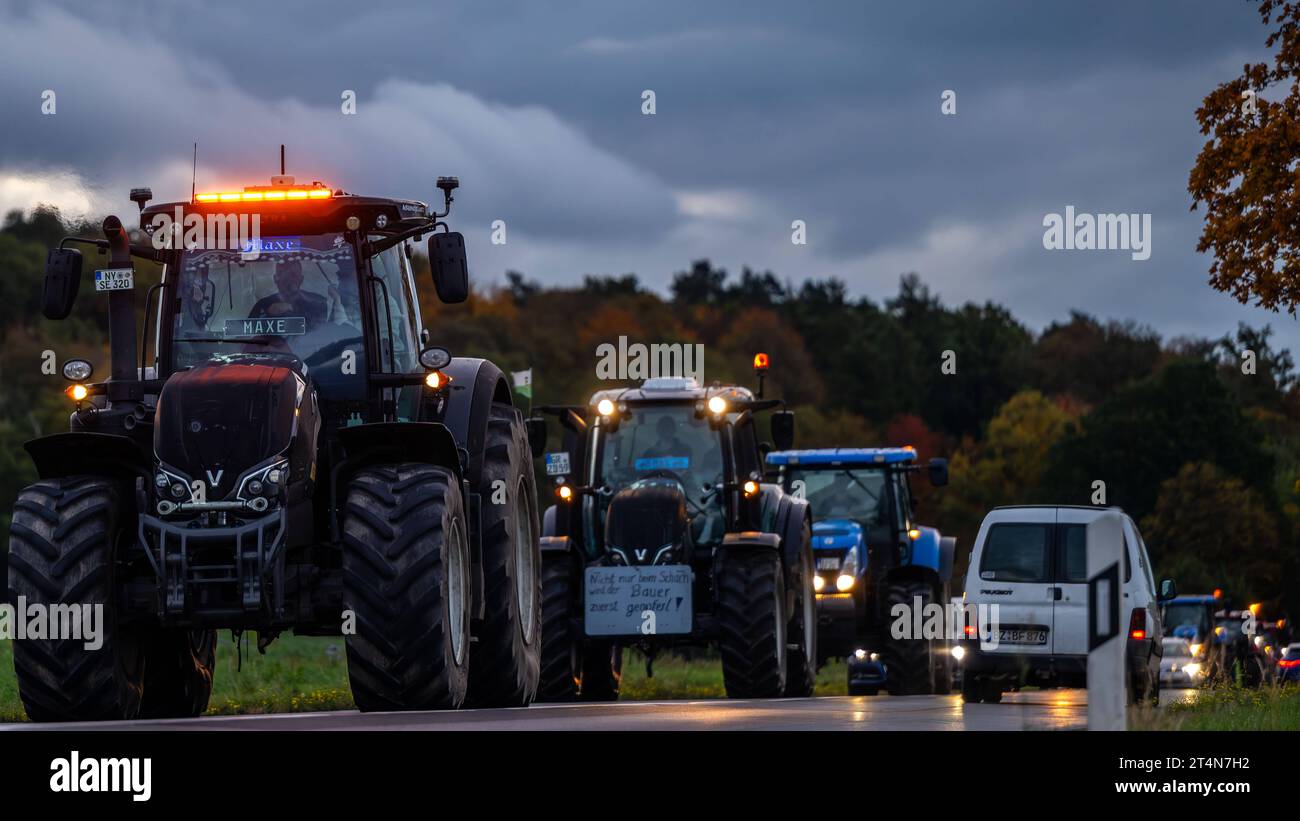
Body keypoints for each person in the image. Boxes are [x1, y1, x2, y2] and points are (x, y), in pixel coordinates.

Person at [250, 259, 329, 329]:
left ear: (301, 279)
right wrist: (267, 315)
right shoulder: (262, 305)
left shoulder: (318, 302)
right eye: (283, 275)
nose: (289, 279)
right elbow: (250, 332)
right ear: (275, 279)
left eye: (293, 274)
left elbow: (328, 330)